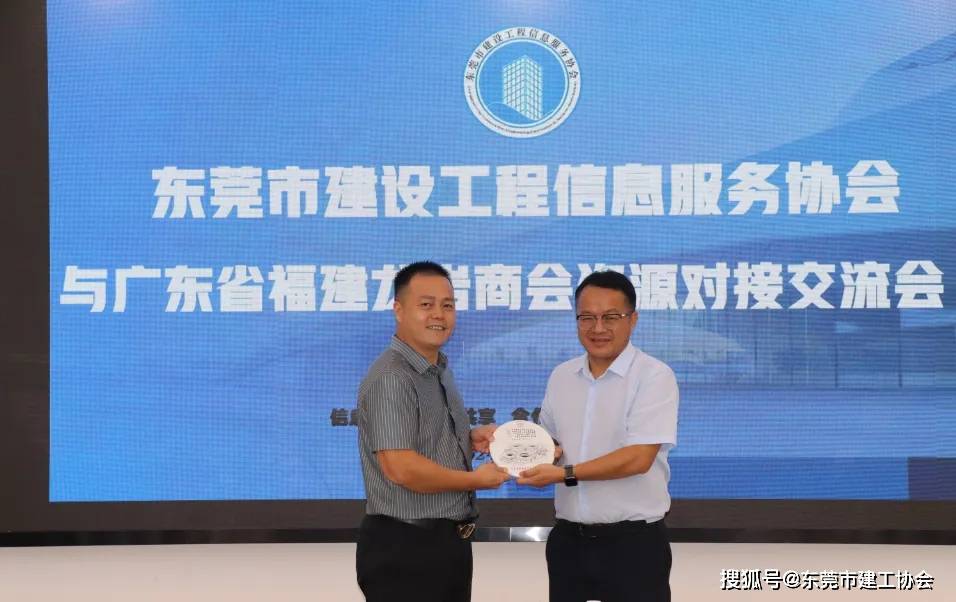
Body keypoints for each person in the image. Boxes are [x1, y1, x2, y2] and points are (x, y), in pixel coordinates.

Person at [518, 270, 679, 602]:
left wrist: (564, 474)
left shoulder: (654, 376)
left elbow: (638, 458)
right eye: (587, 317)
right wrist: (511, 444)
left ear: (633, 319)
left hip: (634, 547)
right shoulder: (561, 376)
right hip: (568, 543)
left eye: (611, 317)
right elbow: (551, 446)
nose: (598, 328)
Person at [355, 261, 510, 602]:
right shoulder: (392, 377)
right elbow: (401, 467)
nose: (438, 314)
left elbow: (422, 439)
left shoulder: (436, 369)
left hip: (445, 544)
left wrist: (468, 438)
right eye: (426, 304)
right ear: (398, 310)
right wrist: (474, 480)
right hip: (405, 550)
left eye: (447, 305)